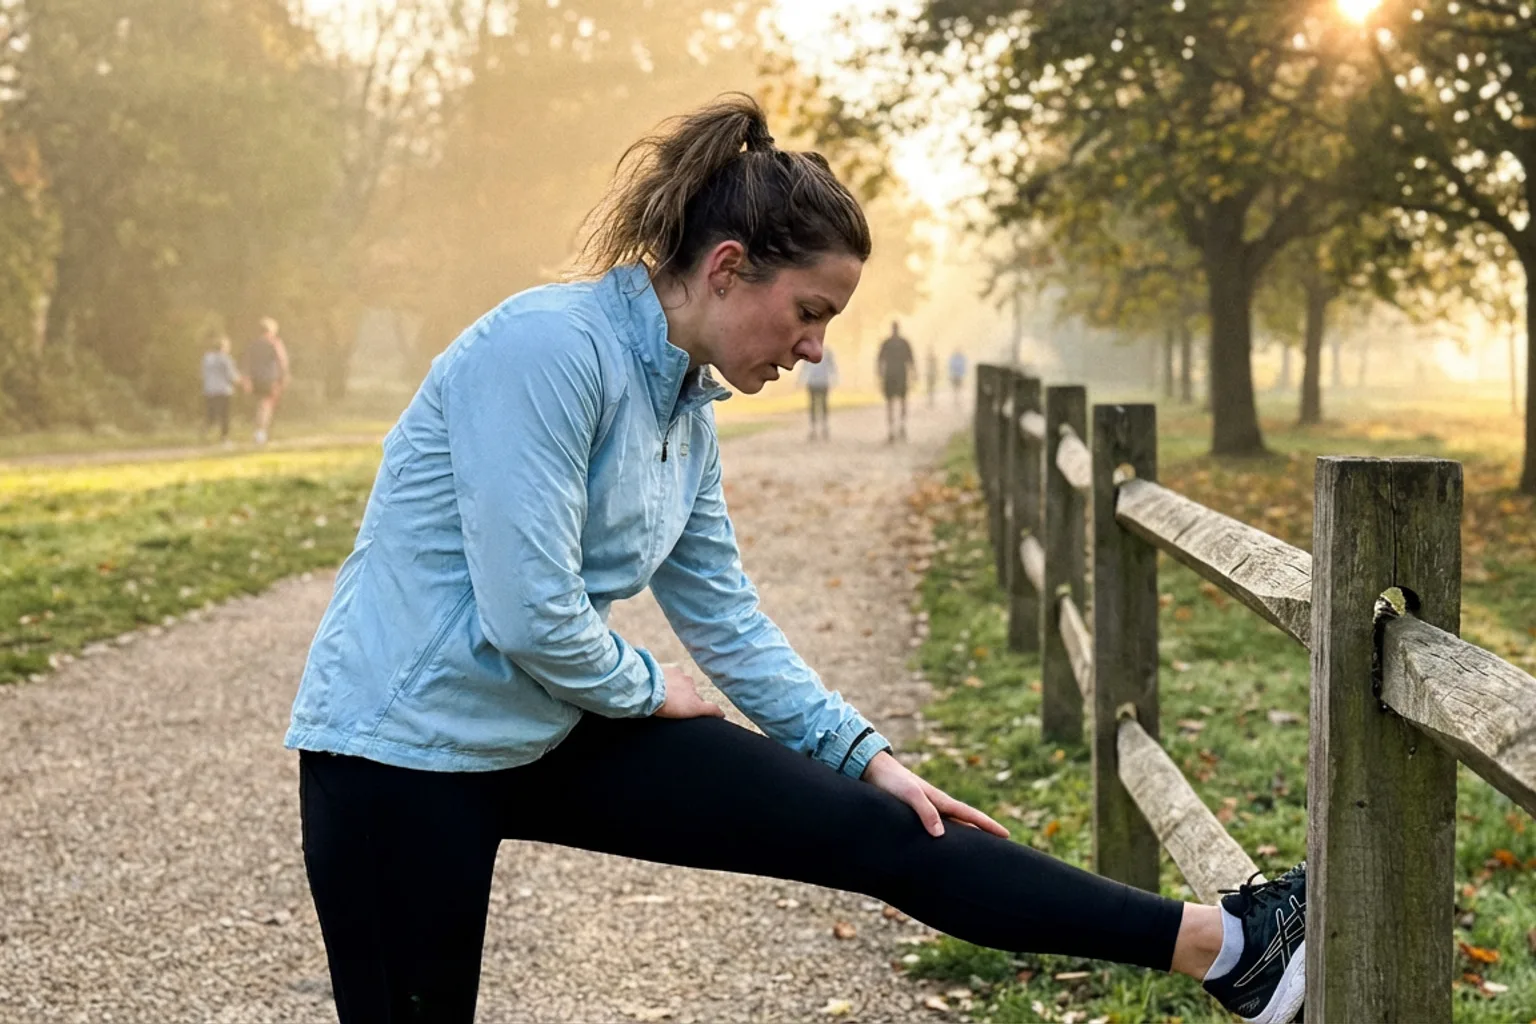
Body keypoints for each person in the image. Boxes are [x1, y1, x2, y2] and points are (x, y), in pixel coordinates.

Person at [284, 95, 1307, 1024]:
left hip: (545, 725)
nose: (815, 348)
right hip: (398, 756)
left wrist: (867, 757)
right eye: (810, 312)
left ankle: (1235, 951)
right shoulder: (549, 350)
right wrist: (649, 688)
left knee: (891, 829)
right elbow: (528, 612)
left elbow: (728, 617)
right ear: (728, 267)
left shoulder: (684, 406)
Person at [244, 317, 290, 444]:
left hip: (255, 379)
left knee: (260, 405)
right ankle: (261, 433)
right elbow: (282, 360)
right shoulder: (274, 343)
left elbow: (247, 362)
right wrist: (284, 376)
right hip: (270, 379)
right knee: (266, 406)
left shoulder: (253, 344)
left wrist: (247, 379)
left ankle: (259, 432)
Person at [200, 334, 244, 445]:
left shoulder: (207, 358)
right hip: (224, 390)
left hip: (209, 390)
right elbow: (232, 376)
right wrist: (242, 380)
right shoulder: (225, 359)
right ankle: (224, 438)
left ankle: (205, 433)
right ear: (223, 347)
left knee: (211, 414)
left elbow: (203, 373)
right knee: (225, 415)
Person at [876, 321, 916, 442]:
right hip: (900, 374)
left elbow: (879, 360)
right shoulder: (903, 343)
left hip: (891, 374)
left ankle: (893, 429)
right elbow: (911, 359)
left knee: (891, 403)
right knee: (900, 402)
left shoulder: (887, 343)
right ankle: (899, 427)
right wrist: (914, 373)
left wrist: (880, 373)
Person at [799, 343, 837, 440]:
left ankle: (824, 427)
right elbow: (804, 368)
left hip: (823, 382)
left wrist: (834, 378)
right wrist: (801, 379)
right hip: (813, 382)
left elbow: (832, 367)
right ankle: (814, 428)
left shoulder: (827, 352)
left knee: (823, 405)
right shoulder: (809, 353)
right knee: (813, 406)